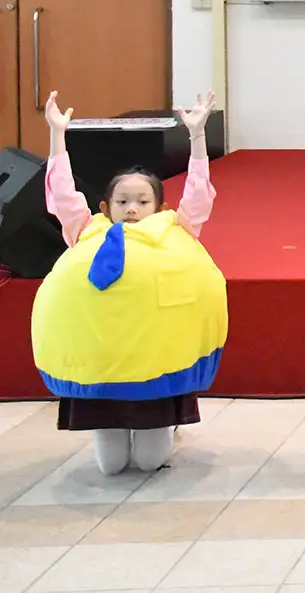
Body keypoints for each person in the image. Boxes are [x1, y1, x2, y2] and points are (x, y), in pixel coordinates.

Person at [41, 90, 218, 475]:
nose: (133, 209)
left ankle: (164, 429)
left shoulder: (176, 229)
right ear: (105, 207)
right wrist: (58, 137)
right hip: (102, 364)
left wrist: (198, 136)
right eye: (122, 202)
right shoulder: (88, 230)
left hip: (154, 361)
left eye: (142, 201)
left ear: (159, 207)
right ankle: (113, 423)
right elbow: (62, 196)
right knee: (111, 464)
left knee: (151, 460)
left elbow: (199, 194)